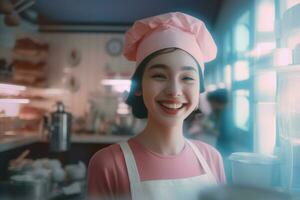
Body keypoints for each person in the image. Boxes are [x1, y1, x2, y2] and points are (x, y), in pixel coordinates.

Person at [87, 12, 226, 200]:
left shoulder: (212, 159)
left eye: (187, 78)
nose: (174, 90)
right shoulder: (108, 164)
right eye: (159, 75)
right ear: (138, 86)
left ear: (199, 89)